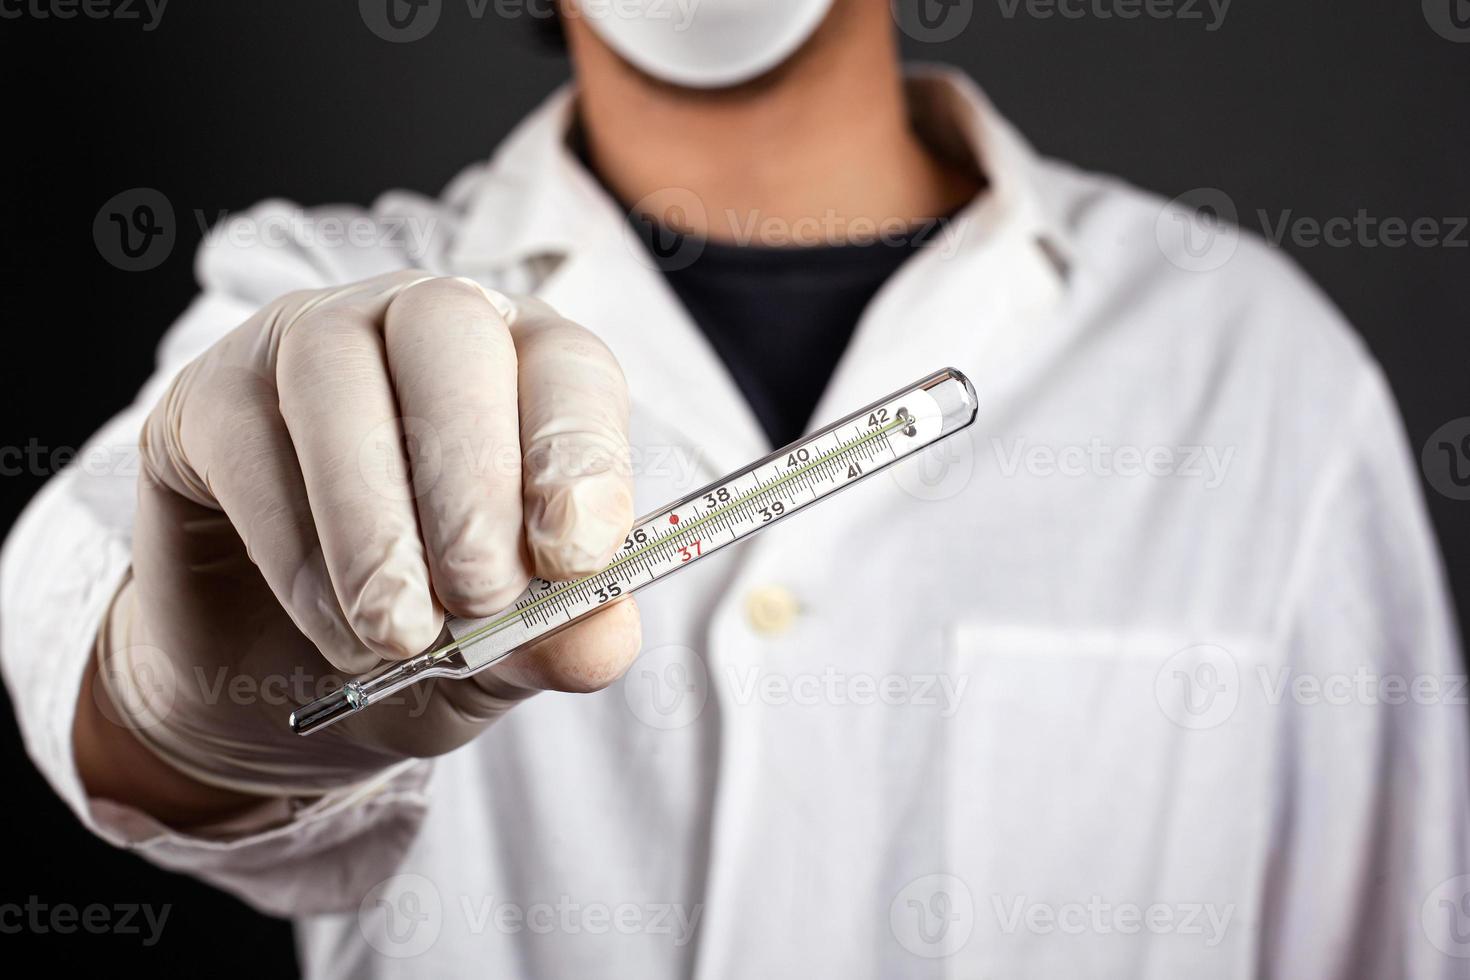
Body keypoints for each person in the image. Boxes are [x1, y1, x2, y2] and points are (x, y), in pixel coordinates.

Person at [3, 0, 1466, 975]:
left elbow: (1394, 930)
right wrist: (188, 698)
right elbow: (88, 676)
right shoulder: (315, 298)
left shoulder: (1243, 360)